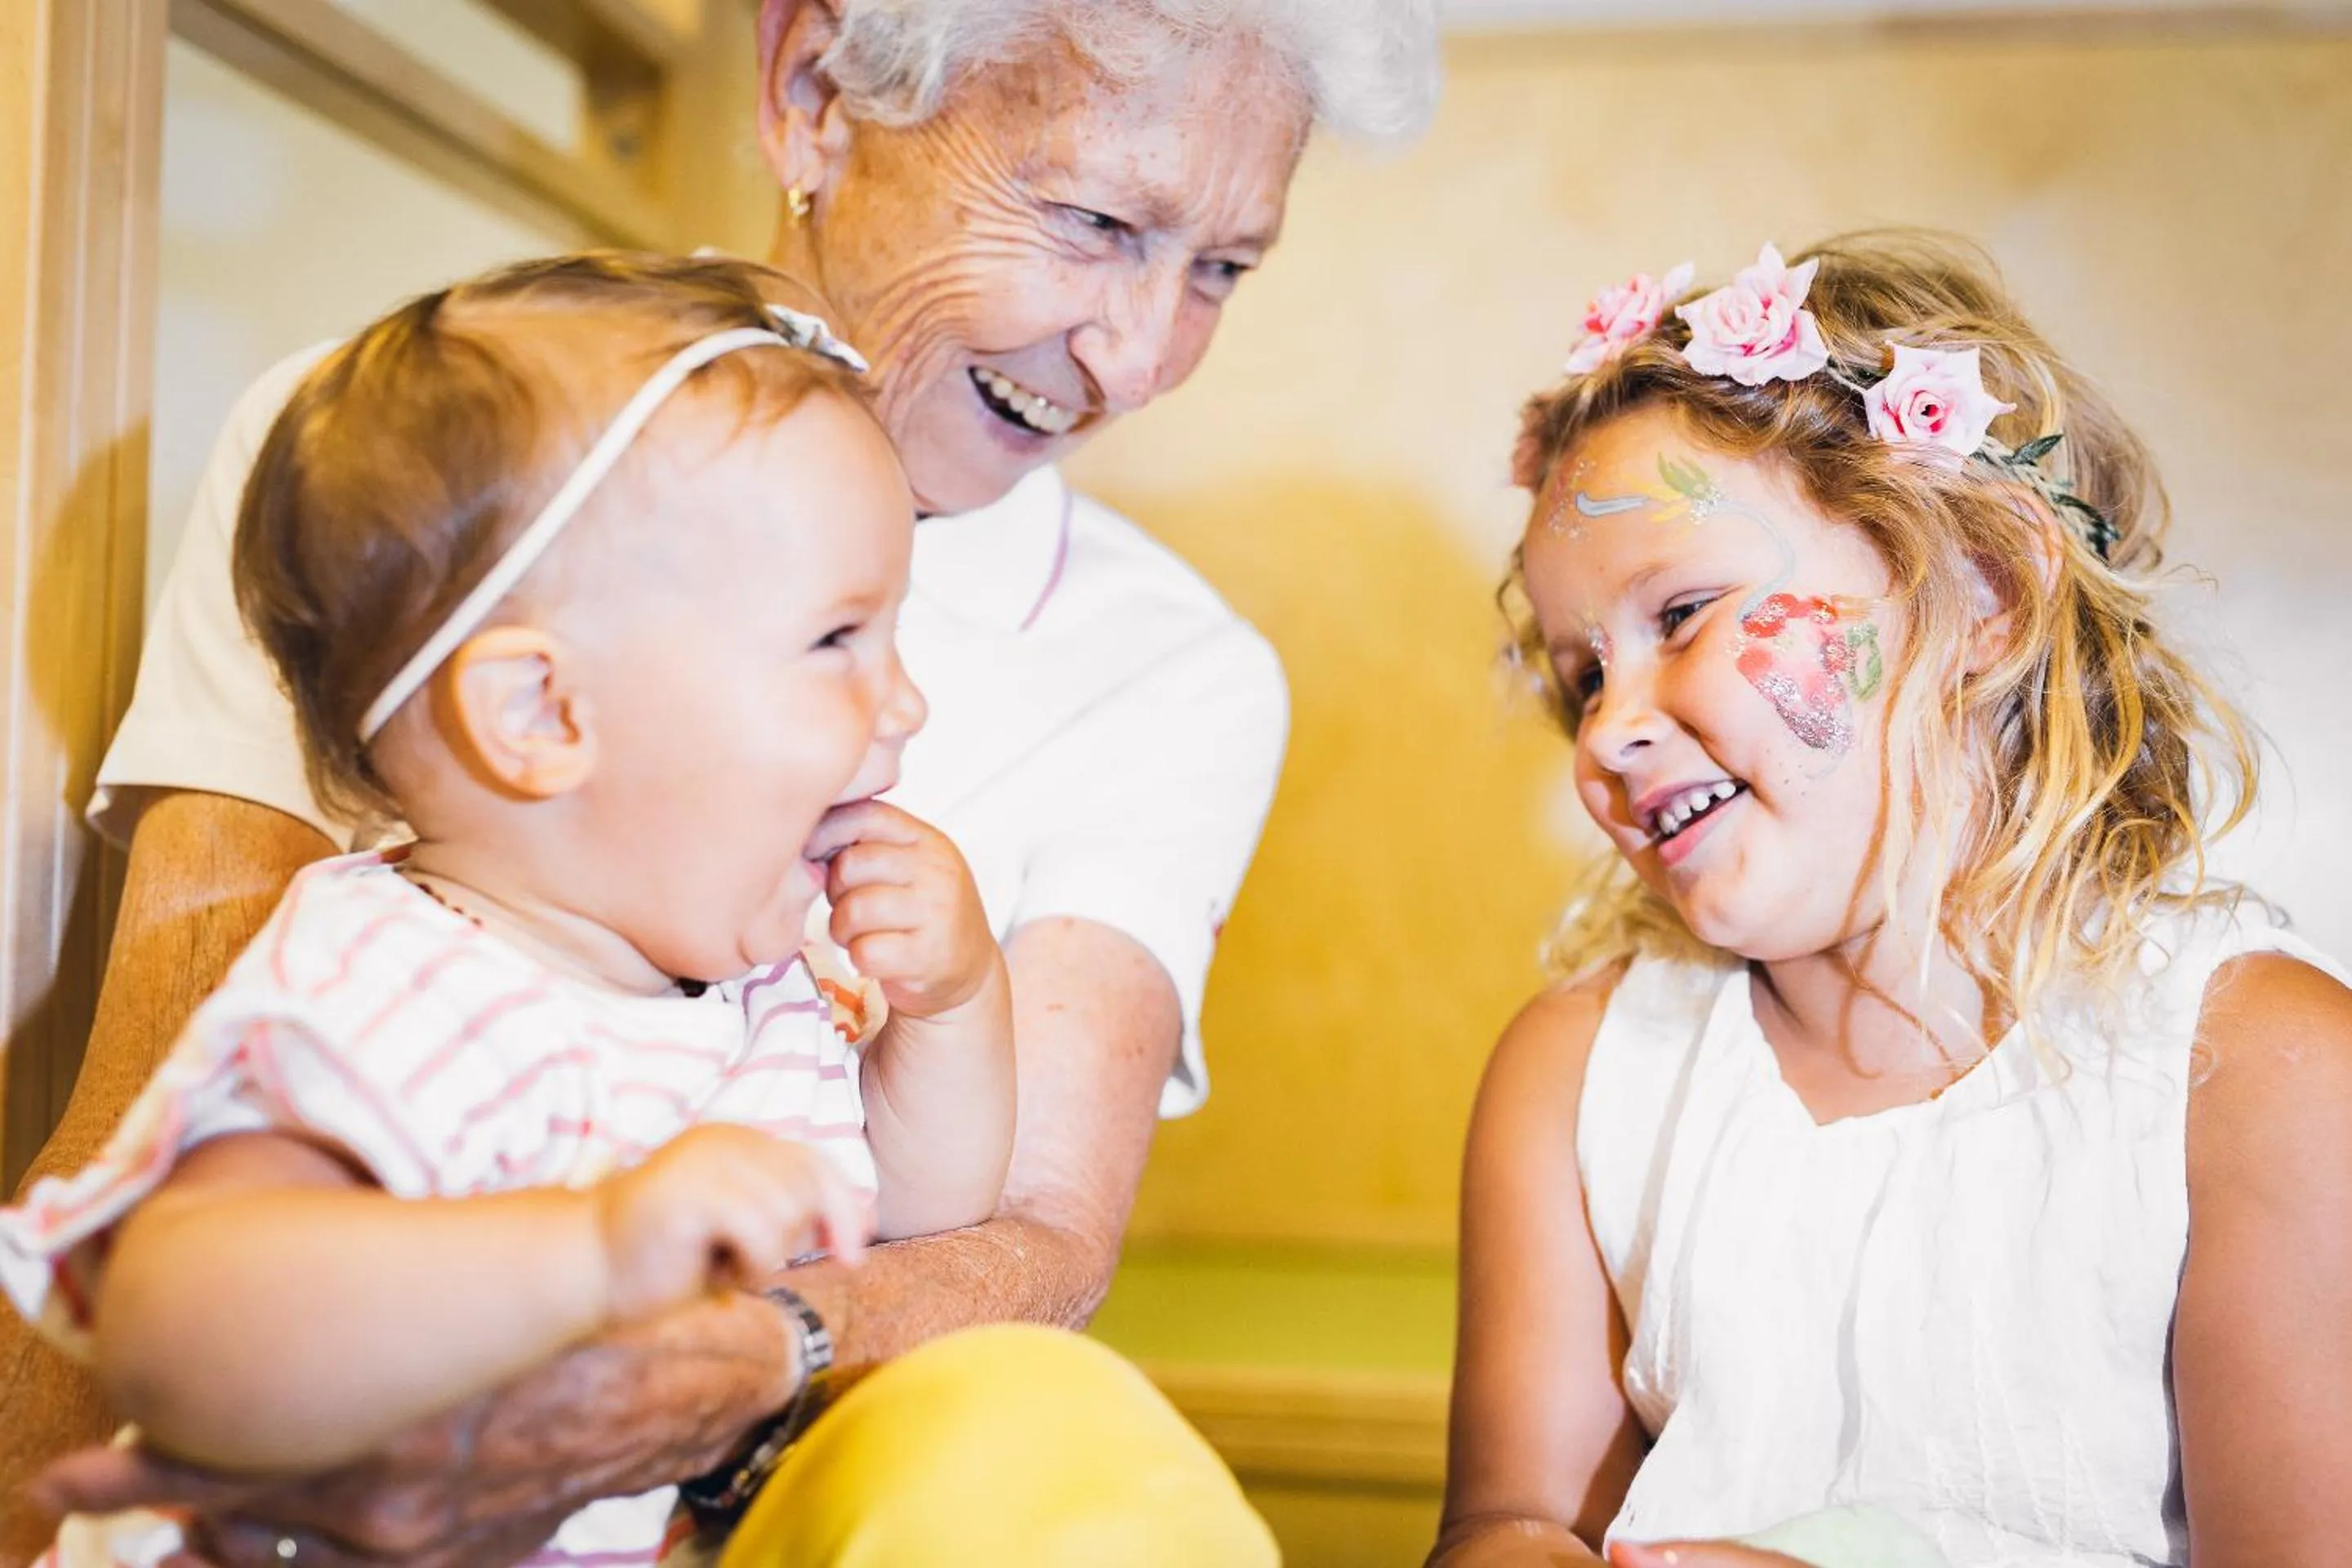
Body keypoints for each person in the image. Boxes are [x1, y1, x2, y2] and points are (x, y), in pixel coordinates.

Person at [0, 2, 1439, 1564]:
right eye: (1093, 218)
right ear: (814, 92)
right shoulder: (425, 528)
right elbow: (153, 1188)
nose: (1145, 357)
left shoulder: (790, 982)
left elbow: (1000, 1235)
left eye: (1225, 267)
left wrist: (938, 1026)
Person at [0, 252, 1022, 1565]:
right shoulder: (394, 982)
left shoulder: (757, 988)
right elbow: (174, 1330)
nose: (907, 702)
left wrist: (949, 1010)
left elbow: (925, 1215)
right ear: (541, 715)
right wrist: (590, 1252)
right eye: (838, 642)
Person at [1432, 233, 2352, 1568]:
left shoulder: (2256, 1073)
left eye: (1682, 614)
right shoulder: (1579, 1082)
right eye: (1583, 677)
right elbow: (1507, 1521)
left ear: (1985, 588)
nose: (1608, 730)